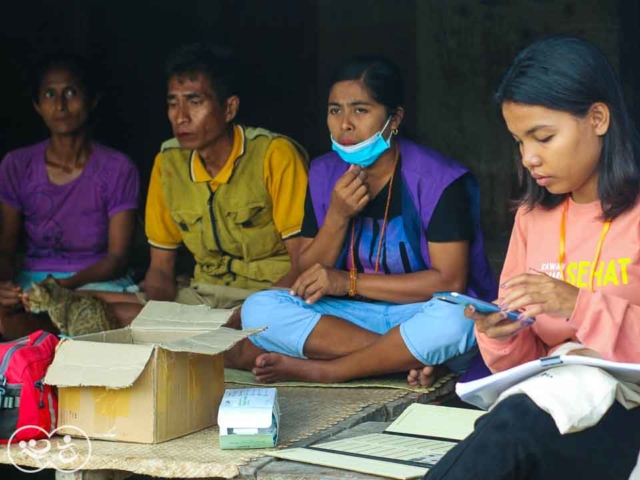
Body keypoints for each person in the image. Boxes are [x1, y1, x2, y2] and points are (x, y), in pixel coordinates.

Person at [425, 37, 640, 480]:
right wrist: (501, 335)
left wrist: (579, 305)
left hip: (626, 414)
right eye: (519, 141)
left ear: (598, 118)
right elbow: (524, 361)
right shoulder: (533, 216)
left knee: (515, 428)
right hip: (550, 411)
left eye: (543, 137)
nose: (529, 158)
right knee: (515, 425)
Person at [228, 56, 497, 387]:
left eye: (360, 110)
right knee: (260, 309)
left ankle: (330, 369)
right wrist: (337, 217)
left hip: (418, 313)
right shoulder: (323, 173)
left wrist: (348, 282)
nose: (345, 124)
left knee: (461, 320)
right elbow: (306, 271)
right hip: (351, 316)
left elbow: (449, 282)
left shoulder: (437, 178)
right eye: (334, 110)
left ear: (394, 118)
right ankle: (403, 361)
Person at [100, 43, 309, 324]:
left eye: (195, 102)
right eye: (173, 103)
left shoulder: (274, 155)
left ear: (229, 108)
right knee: (95, 309)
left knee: (261, 338)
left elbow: (303, 263)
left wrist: (247, 315)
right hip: (202, 298)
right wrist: (157, 318)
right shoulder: (168, 162)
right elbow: (161, 269)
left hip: (268, 297)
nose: (181, 117)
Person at [0, 54, 139, 339]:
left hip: (95, 285)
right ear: (37, 105)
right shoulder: (17, 165)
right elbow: (6, 249)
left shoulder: (117, 168)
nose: (60, 105)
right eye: (50, 94)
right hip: (33, 286)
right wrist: (4, 285)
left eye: (71, 92)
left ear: (92, 99)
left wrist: (65, 286)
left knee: (132, 315)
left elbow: (117, 257)